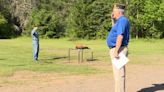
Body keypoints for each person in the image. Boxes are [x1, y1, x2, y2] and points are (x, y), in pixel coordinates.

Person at [106, 4, 130, 92]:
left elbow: (120, 36)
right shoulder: (119, 21)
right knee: (117, 75)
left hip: (119, 49)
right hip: (118, 48)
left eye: (114, 11)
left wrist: (116, 50)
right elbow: (115, 30)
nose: (112, 13)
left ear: (118, 12)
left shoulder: (122, 20)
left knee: (119, 74)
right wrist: (113, 19)